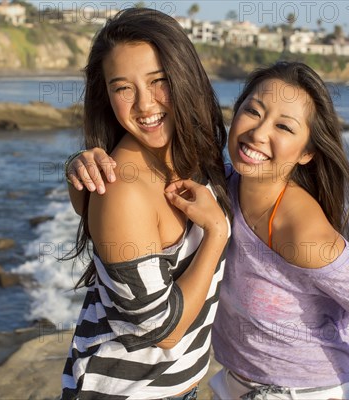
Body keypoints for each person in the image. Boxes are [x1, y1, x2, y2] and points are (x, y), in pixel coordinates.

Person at [65, 61, 349, 399]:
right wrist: (83, 168)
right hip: (236, 384)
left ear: (307, 152)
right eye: (253, 111)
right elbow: (125, 214)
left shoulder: (302, 232)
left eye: (284, 127)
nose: (258, 133)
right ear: (235, 112)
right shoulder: (222, 182)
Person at [61, 8, 232, 399]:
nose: (144, 104)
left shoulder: (196, 155)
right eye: (123, 88)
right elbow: (164, 331)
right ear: (106, 94)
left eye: (159, 81)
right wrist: (217, 233)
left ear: (186, 77)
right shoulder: (121, 187)